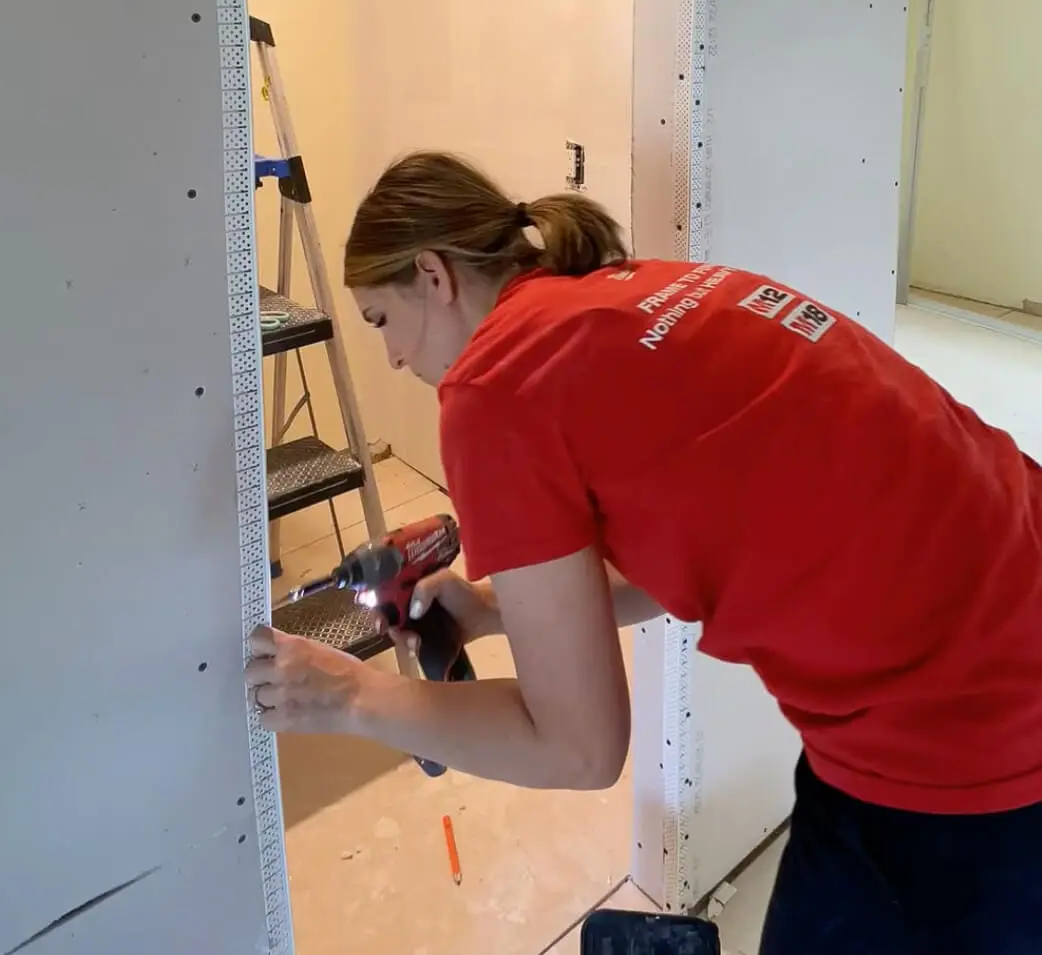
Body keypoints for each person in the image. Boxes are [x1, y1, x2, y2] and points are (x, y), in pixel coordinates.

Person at [245, 152, 1042, 954]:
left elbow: (580, 747)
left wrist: (347, 696)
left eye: (381, 320)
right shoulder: (633, 288)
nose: (390, 359)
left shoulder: (493, 386)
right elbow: (701, 536)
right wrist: (488, 609)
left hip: (961, 726)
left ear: (433, 273)